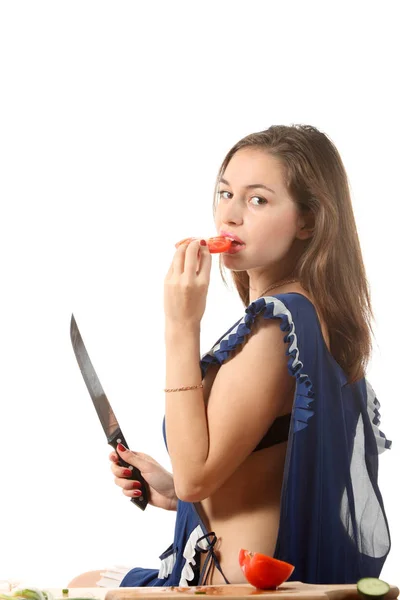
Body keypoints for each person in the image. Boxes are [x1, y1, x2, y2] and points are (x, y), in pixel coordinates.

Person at [68, 124, 391, 588]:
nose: (230, 216)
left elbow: (197, 477)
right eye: (225, 193)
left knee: (83, 587)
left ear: (310, 221)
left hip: (240, 585)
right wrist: (171, 489)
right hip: (223, 568)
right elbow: (242, 476)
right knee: (86, 580)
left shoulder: (278, 326)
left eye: (257, 200)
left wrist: (181, 326)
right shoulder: (292, 317)